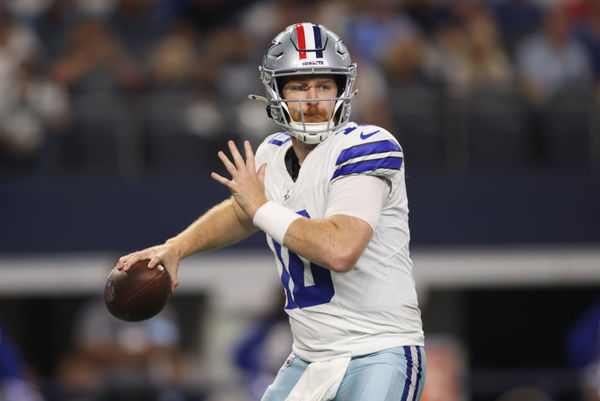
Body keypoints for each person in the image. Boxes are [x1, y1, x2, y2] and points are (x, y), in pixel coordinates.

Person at [117, 22, 426, 401]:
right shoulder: (272, 154)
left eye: (324, 85)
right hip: (309, 358)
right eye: (299, 86)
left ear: (342, 89)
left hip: (379, 350)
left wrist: (260, 205)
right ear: (275, 91)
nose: (312, 99)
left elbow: (340, 249)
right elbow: (242, 213)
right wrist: (176, 247)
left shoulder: (368, 145)